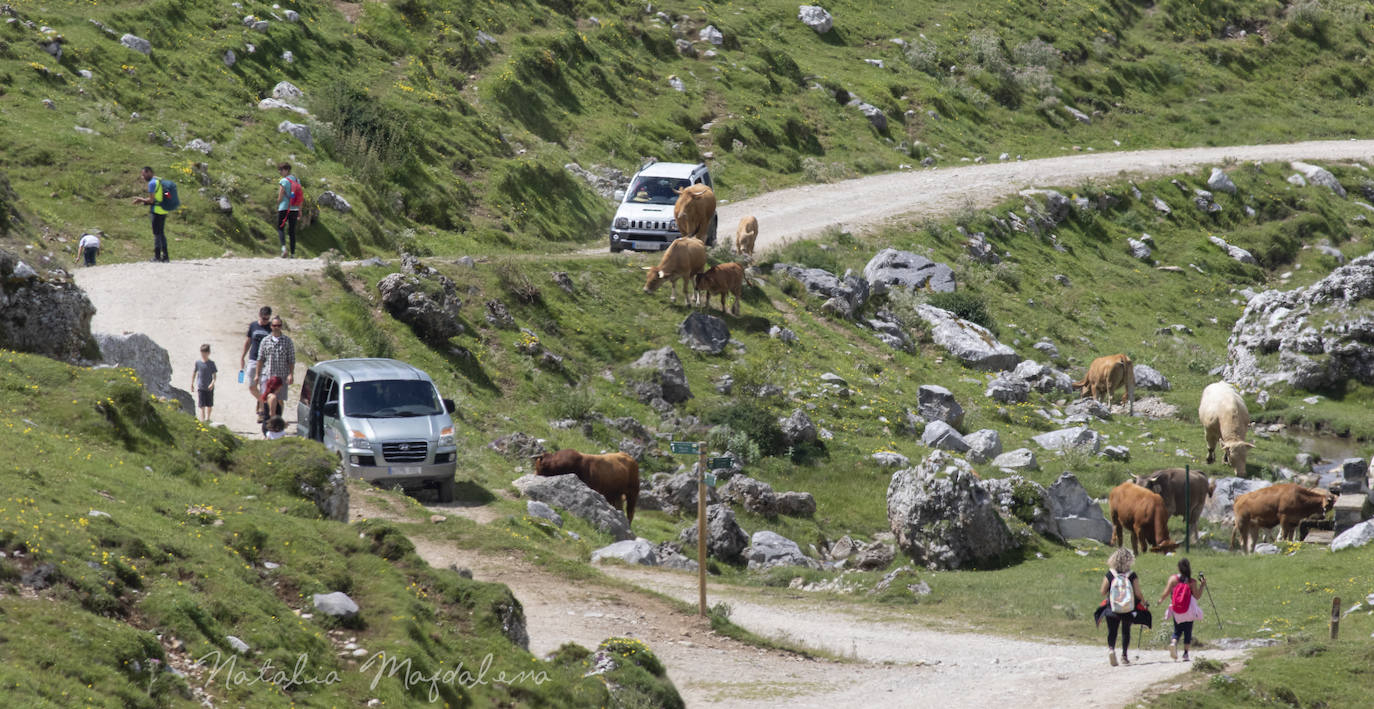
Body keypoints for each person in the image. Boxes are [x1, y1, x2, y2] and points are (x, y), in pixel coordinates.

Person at [1094, 548, 1150, 667]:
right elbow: (1138, 593)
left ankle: (1111, 649)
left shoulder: (1110, 574)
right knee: (1126, 631)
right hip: (1128, 608)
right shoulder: (1132, 575)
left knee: (1112, 631)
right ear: (1129, 560)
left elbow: (1103, 592)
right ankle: (1124, 656)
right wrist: (1144, 602)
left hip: (1112, 608)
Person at [1160, 558, 1207, 662]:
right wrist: (1202, 585)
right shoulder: (1192, 582)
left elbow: (1166, 592)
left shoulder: (1173, 579)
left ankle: (1173, 643)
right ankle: (1185, 654)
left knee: (1177, 630)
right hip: (1189, 610)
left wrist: (1160, 600)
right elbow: (1197, 596)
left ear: (1179, 568)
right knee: (1187, 631)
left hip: (1177, 610)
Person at [256, 316, 295, 421]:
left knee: (280, 400)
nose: (276, 327)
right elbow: (260, 358)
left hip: (281, 376)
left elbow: (291, 359)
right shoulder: (265, 341)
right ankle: (265, 418)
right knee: (265, 397)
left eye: (278, 325)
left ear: (281, 326)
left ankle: (278, 420)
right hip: (267, 374)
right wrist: (257, 374)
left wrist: (291, 374)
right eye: (274, 325)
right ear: (271, 326)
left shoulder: (287, 341)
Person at [130, 166, 171, 262]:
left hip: (156, 210)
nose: (142, 177)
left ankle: (157, 256)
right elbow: (168, 195)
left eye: (143, 174)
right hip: (164, 210)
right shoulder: (161, 181)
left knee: (156, 233)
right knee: (161, 233)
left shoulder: (152, 183)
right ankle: (165, 256)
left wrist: (141, 200)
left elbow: (151, 200)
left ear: (149, 173)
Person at [240, 306, 272, 405]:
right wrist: (242, 356)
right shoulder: (253, 325)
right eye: (264, 318)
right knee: (252, 387)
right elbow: (248, 341)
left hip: (266, 362)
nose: (265, 320)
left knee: (264, 387)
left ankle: (262, 410)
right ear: (260, 315)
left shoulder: (272, 327)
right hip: (253, 359)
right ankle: (263, 403)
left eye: (267, 318)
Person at [275, 163, 302, 258]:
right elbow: (300, 196)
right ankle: (293, 254)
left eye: (281, 170)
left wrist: (277, 204)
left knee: (280, 228)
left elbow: (280, 196)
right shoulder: (297, 181)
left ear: (286, 170)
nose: (280, 172)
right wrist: (300, 210)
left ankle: (284, 249)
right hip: (294, 209)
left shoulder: (284, 181)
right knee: (292, 232)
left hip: (284, 208)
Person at [191, 344, 217, 422]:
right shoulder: (198, 363)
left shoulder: (211, 363)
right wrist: (192, 383)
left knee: (209, 404)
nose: (204, 355)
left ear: (209, 353)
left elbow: (215, 376)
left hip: (209, 387)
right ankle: (203, 419)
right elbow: (194, 373)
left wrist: (212, 383)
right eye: (202, 353)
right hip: (201, 387)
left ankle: (208, 418)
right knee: (201, 405)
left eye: (205, 353)